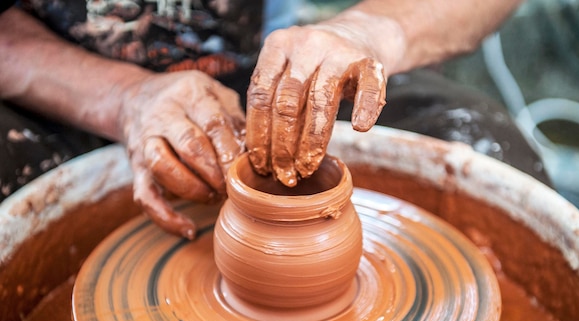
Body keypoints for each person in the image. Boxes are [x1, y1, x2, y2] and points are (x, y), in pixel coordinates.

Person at [0, 0, 541, 240]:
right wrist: (124, 98)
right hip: (64, 81)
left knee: (487, 148)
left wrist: (369, 32)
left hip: (267, 68)